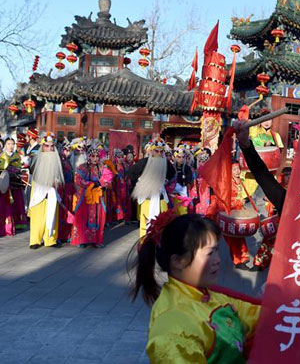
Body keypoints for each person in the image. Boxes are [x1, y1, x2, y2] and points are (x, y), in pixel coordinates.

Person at [130, 213, 260, 363]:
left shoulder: (210, 295)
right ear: (178, 261)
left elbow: (254, 315)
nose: (218, 260)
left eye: (217, 251)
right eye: (209, 253)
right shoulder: (173, 328)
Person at [127, 138, 176, 238]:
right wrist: (141, 182)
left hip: (161, 198)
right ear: (151, 151)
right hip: (147, 198)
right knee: (146, 223)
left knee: (162, 223)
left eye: (161, 151)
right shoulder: (144, 162)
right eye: (156, 151)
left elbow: (172, 174)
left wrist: (165, 181)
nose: (159, 153)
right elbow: (131, 173)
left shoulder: (166, 163)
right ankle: (144, 244)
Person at [71, 142, 114, 248]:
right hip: (85, 196)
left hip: (98, 196)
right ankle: (82, 240)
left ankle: (96, 240)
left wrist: (102, 183)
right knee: (83, 217)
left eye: (97, 156)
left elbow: (109, 177)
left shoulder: (102, 167)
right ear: (89, 156)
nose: (95, 158)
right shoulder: (82, 167)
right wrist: (90, 184)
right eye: (93, 156)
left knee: (98, 217)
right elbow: (78, 179)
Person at [27, 132, 65, 249]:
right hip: (39, 193)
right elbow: (34, 174)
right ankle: (35, 240)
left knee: (52, 214)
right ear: (42, 147)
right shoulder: (36, 159)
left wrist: (55, 182)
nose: (49, 149)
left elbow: (60, 176)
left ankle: (50, 239)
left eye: (51, 146)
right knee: (38, 217)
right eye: (46, 146)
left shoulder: (58, 161)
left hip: (52, 193)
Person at [1, 137, 23, 236]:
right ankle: (7, 226)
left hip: (15, 183)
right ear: (5, 145)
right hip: (5, 184)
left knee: (16, 203)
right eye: (9, 144)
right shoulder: (2, 156)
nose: (11, 146)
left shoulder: (17, 156)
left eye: (12, 144)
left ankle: (18, 223)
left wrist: (13, 170)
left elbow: (19, 168)